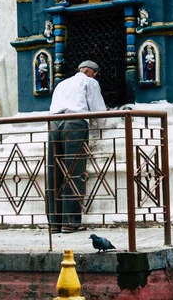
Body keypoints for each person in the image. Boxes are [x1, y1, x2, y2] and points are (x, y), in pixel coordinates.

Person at [47, 60, 106, 233]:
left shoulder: (62, 83)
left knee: (55, 172)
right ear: (93, 73)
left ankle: (54, 223)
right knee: (73, 171)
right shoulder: (90, 82)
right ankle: (70, 222)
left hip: (53, 124)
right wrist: (103, 121)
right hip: (74, 125)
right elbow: (98, 111)